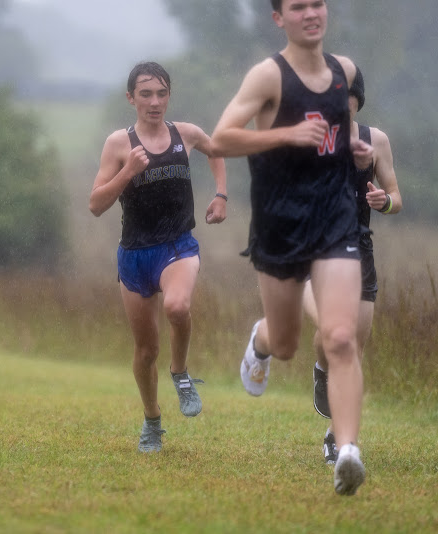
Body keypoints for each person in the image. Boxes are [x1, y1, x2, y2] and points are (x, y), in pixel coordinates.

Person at [210, 0, 374, 495]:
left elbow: (336, 138)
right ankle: (260, 342)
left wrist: (355, 151)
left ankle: (347, 451)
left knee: (341, 337)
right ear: (279, 18)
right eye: (298, 6)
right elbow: (220, 139)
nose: (311, 13)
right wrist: (287, 134)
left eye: (318, 3)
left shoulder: (345, 71)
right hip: (280, 222)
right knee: (286, 345)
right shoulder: (268, 76)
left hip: (335, 219)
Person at [89, 61, 227, 453]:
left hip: (178, 245)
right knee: (145, 350)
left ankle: (180, 372)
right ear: (130, 98)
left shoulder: (185, 134)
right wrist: (126, 172)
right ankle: (152, 421)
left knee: (178, 307)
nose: (155, 102)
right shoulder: (119, 144)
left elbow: (214, 149)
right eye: (145, 94)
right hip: (134, 255)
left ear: (170, 95)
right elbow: (96, 204)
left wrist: (221, 194)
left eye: (161, 93)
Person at [302, 68, 402, 464]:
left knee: (354, 347)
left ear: (357, 100)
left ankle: (337, 439)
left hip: (360, 250)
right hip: (317, 249)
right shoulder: (308, 138)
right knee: (333, 334)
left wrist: (385, 201)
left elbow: (396, 195)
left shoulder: (375, 140)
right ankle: (321, 366)